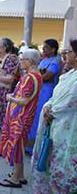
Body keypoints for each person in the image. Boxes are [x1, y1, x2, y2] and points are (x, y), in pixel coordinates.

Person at [31, 39, 77, 194]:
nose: (65, 54)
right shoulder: (70, 74)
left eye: (69, 51)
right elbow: (56, 97)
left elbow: (68, 102)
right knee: (50, 162)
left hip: (69, 130)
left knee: (64, 168)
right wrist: (48, 107)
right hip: (56, 127)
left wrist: (52, 110)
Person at [0, 49, 43, 188]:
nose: (21, 62)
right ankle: (20, 175)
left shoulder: (30, 77)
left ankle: (15, 178)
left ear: (30, 61)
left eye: (22, 59)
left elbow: (24, 100)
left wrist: (10, 97)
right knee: (20, 145)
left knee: (17, 145)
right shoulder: (36, 75)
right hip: (24, 116)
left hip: (21, 117)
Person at [26, 39, 61, 154]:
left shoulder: (55, 61)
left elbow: (46, 76)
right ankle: (29, 144)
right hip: (39, 90)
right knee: (33, 114)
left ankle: (35, 147)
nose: (43, 50)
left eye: (46, 47)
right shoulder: (44, 60)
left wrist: (34, 76)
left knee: (39, 117)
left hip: (47, 92)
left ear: (53, 49)